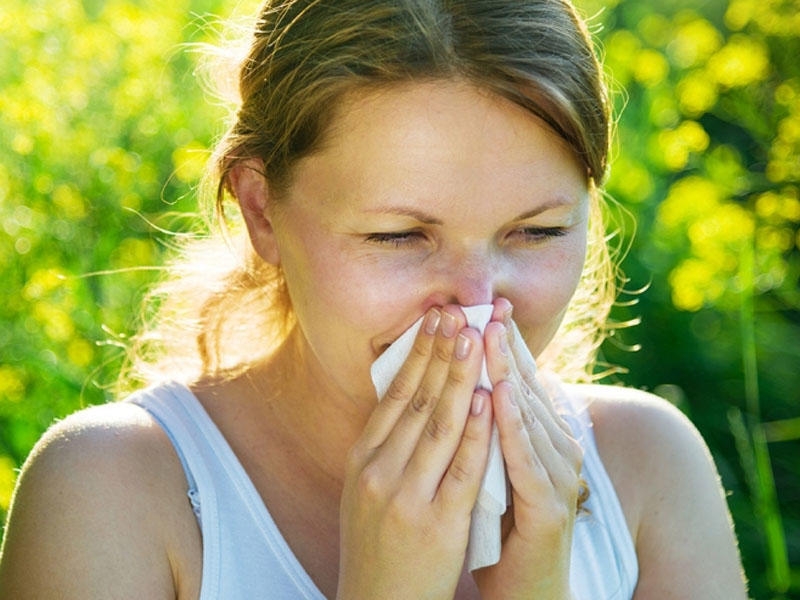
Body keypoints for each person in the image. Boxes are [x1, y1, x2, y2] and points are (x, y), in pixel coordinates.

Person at [0, 0, 748, 598]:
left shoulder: (647, 468)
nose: (475, 305)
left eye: (536, 232)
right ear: (263, 212)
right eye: (399, 237)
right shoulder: (114, 496)